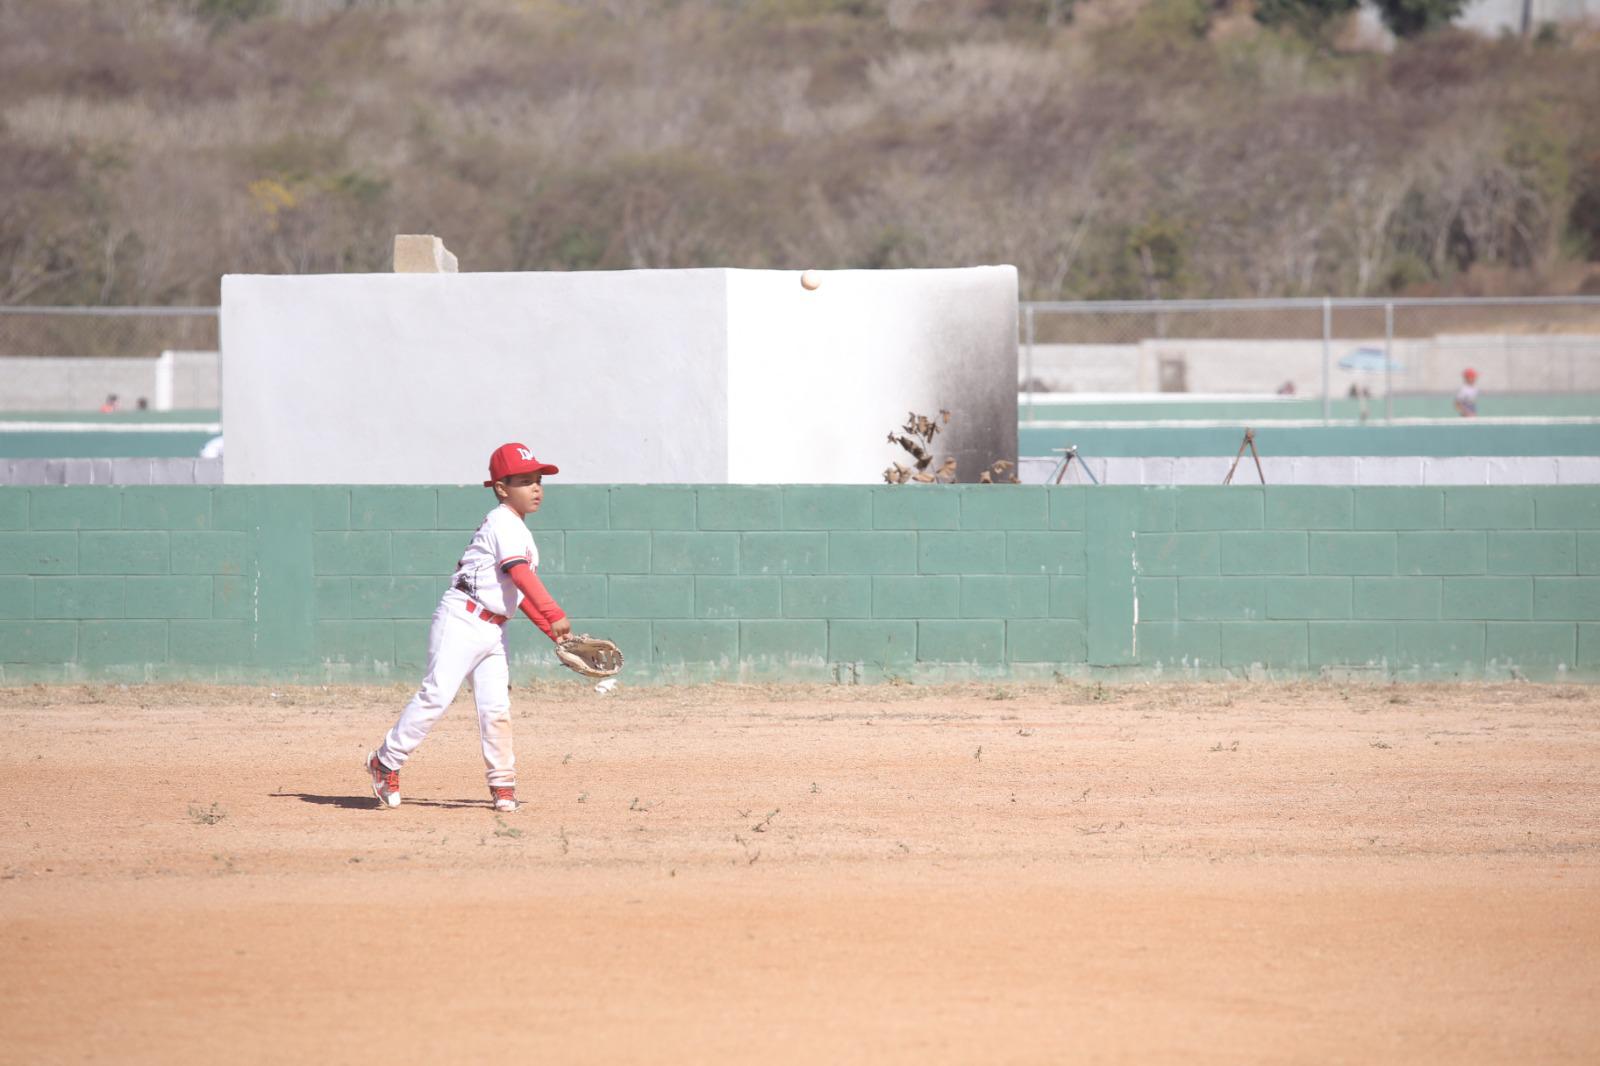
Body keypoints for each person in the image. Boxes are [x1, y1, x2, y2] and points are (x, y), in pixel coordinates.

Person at [365, 443, 572, 813]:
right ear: (501, 488)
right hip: (462, 619)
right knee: (437, 695)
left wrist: (552, 631)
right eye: (525, 481)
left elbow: (516, 594)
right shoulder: (502, 522)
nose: (536, 488)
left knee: (496, 708)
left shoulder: (519, 531)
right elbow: (520, 576)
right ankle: (386, 760)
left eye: (538, 480)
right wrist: (554, 613)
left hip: (493, 629)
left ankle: (503, 785)